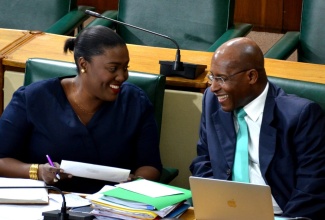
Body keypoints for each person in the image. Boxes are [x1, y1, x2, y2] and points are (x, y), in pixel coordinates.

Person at [0, 26, 162, 193]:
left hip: (112, 208)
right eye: (113, 69)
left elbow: (150, 165)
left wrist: (134, 186)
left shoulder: (135, 102)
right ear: (83, 64)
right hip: (48, 201)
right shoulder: (33, 98)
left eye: (125, 68)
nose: (122, 76)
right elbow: (2, 159)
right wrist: (38, 171)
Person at [190, 37, 325, 219]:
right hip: (225, 212)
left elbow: (312, 186)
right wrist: (213, 204)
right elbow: (204, 158)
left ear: (251, 77)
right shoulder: (211, 101)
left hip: (281, 214)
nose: (213, 87)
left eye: (221, 78)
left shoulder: (300, 116)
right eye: (212, 76)